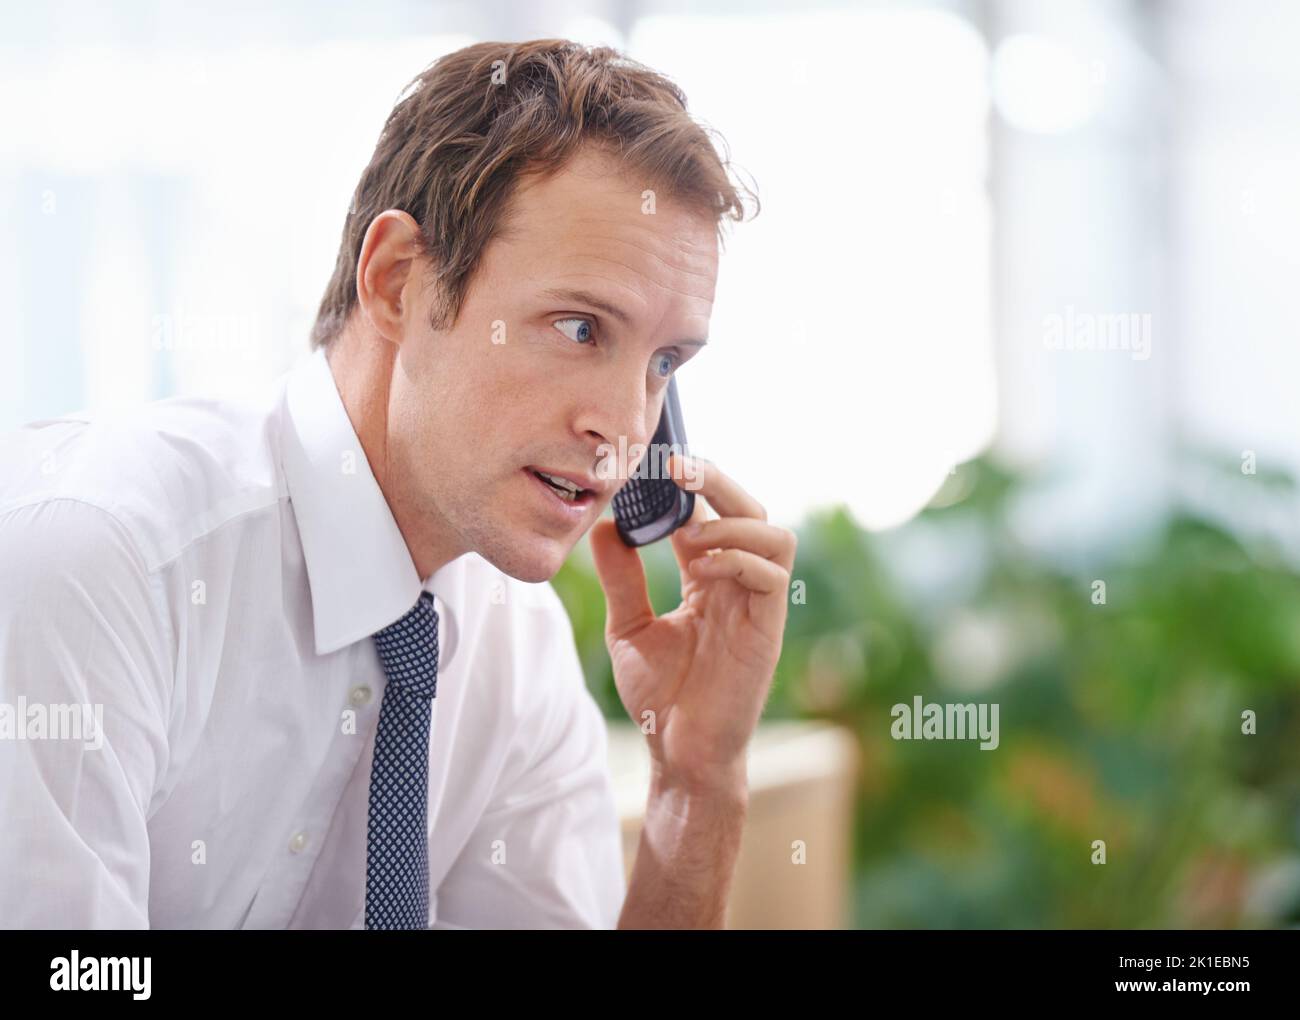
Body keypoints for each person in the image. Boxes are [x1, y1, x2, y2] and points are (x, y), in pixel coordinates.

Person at [0, 38, 796, 929]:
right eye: (579, 328)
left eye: (664, 362)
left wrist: (698, 786)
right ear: (398, 284)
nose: (623, 425)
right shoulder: (97, 563)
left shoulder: (511, 645)